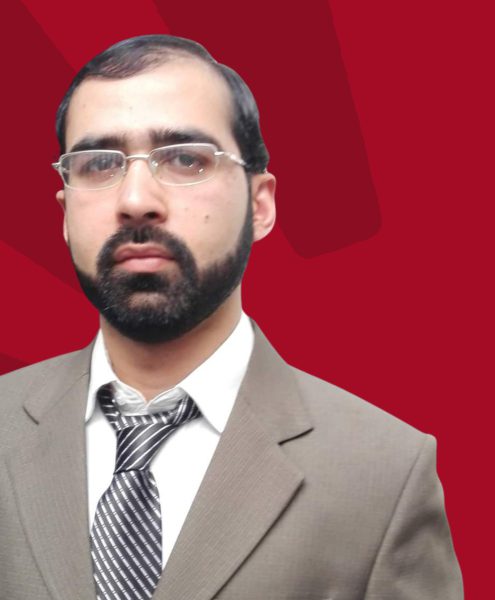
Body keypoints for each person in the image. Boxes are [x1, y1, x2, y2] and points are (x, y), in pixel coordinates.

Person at [0, 34, 463, 600]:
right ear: (65, 213)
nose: (136, 199)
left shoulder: (386, 473)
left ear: (260, 205)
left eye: (185, 159)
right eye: (99, 163)